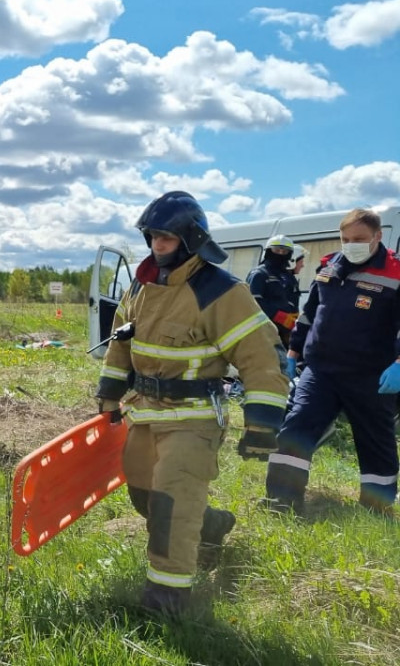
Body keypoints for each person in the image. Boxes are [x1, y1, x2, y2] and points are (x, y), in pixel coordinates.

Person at [96, 191, 289, 615]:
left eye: (164, 238)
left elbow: (260, 356)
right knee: (145, 498)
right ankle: (211, 525)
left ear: (189, 239)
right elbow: (120, 343)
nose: (155, 246)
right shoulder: (142, 284)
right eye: (151, 237)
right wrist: (109, 396)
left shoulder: (220, 290)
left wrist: (262, 424)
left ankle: (166, 602)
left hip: (194, 419)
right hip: (146, 413)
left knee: (170, 506)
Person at [263, 208, 400, 517]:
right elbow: (309, 314)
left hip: (372, 374)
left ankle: (376, 510)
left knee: (375, 442)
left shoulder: (395, 273)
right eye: (346, 238)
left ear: (378, 236)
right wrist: (293, 354)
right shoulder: (329, 266)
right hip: (321, 370)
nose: (351, 244)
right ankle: (280, 502)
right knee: (295, 429)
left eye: (360, 239)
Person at [246, 235, 301, 344]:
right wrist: (279, 316)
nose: (280, 253)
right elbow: (252, 301)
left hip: (286, 331)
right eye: (276, 250)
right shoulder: (259, 274)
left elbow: (293, 300)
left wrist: (297, 319)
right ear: (268, 251)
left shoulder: (289, 276)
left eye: (284, 251)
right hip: (264, 330)